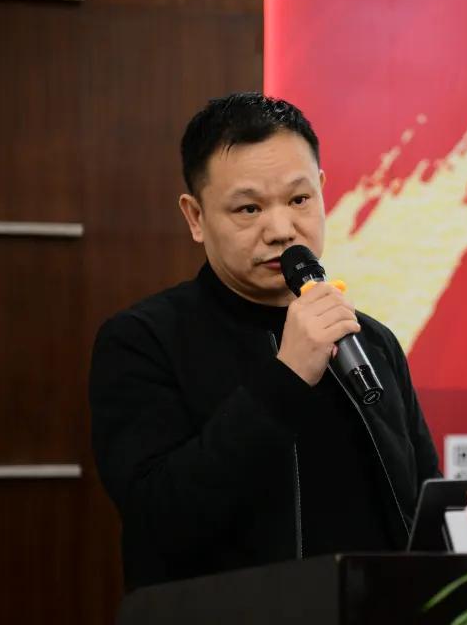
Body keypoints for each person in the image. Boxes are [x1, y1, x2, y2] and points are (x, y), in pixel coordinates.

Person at [89, 92, 440, 591]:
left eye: (299, 200)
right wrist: (286, 377)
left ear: (322, 191)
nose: (281, 230)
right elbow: (159, 517)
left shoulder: (370, 341)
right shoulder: (142, 341)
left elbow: (424, 508)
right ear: (195, 217)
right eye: (249, 208)